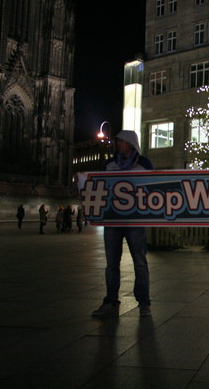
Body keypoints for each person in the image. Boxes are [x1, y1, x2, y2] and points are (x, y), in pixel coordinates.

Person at [92, 130, 154, 318]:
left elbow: (153, 188)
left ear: (130, 143)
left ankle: (144, 303)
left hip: (135, 221)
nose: (118, 144)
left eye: (121, 141)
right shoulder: (110, 165)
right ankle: (110, 300)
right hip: (113, 221)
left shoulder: (144, 164)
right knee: (112, 264)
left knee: (140, 263)